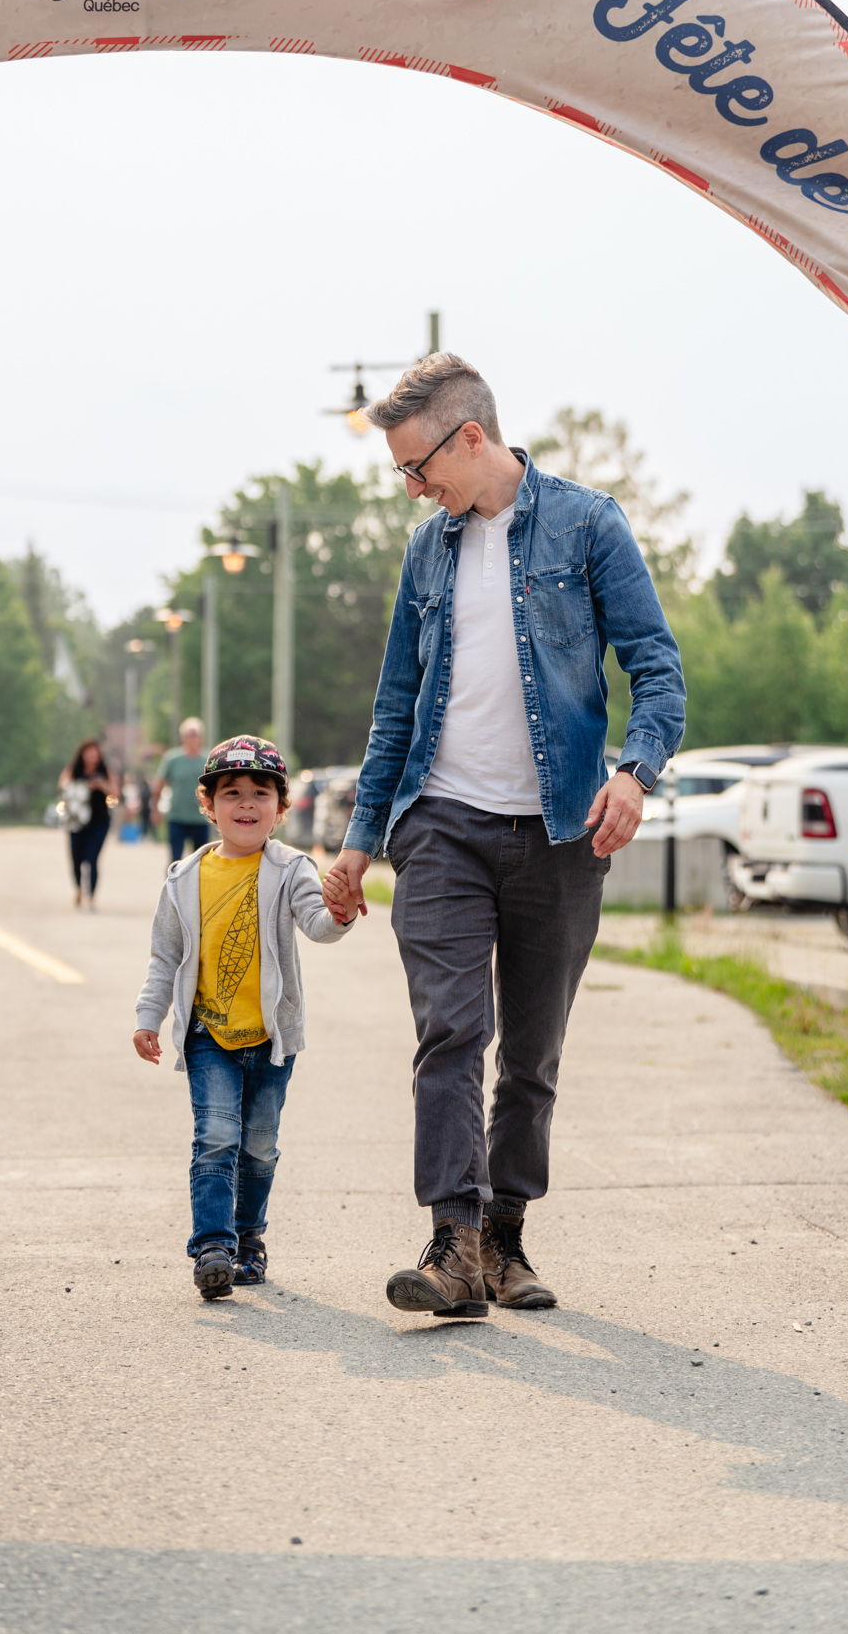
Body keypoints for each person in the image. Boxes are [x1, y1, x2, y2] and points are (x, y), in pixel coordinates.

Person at [321, 353, 685, 1318]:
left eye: (418, 467)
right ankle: (452, 1242)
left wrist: (634, 772)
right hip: (440, 825)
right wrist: (361, 838)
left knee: (531, 1053)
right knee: (451, 1031)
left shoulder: (588, 525)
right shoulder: (427, 552)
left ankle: (504, 1238)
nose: (413, 488)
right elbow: (395, 706)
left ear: (471, 436)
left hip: (561, 833)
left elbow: (658, 669)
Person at [133, 736, 355, 1301]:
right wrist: (148, 1017)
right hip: (207, 1033)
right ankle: (213, 1246)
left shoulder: (291, 868)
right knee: (215, 1137)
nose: (247, 804)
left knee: (258, 1146)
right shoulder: (184, 877)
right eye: (232, 793)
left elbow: (317, 924)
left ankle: (249, 1238)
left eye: (261, 793)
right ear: (208, 805)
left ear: (281, 808)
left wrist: (340, 912)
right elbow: (165, 956)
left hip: (271, 1037)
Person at [60, 739, 114, 909]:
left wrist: (102, 787)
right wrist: (84, 786)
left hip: (99, 822)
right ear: (82, 754)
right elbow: (62, 787)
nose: (92, 757)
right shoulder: (74, 770)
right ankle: (79, 888)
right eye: (88, 754)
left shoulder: (105, 771)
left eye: (95, 754)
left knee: (92, 859)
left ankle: (91, 896)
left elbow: (115, 794)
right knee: (76, 859)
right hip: (76, 822)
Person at [153, 717, 210, 862]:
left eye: (195, 734)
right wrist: (155, 809)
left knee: (201, 861)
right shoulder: (172, 759)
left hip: (201, 818)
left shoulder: (208, 760)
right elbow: (159, 784)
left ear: (201, 737)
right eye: (189, 735)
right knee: (175, 859)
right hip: (177, 817)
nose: (192, 738)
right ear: (183, 737)